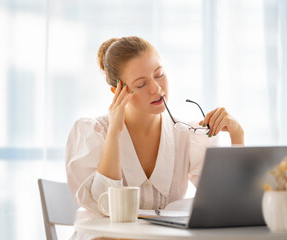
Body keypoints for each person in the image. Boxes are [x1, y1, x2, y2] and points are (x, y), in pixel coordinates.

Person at [65, 36, 244, 239]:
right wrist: (114, 132)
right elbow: (104, 206)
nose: (156, 88)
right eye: (141, 85)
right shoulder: (94, 132)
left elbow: (227, 203)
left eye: (159, 74)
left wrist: (237, 135)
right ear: (117, 91)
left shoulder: (188, 135)